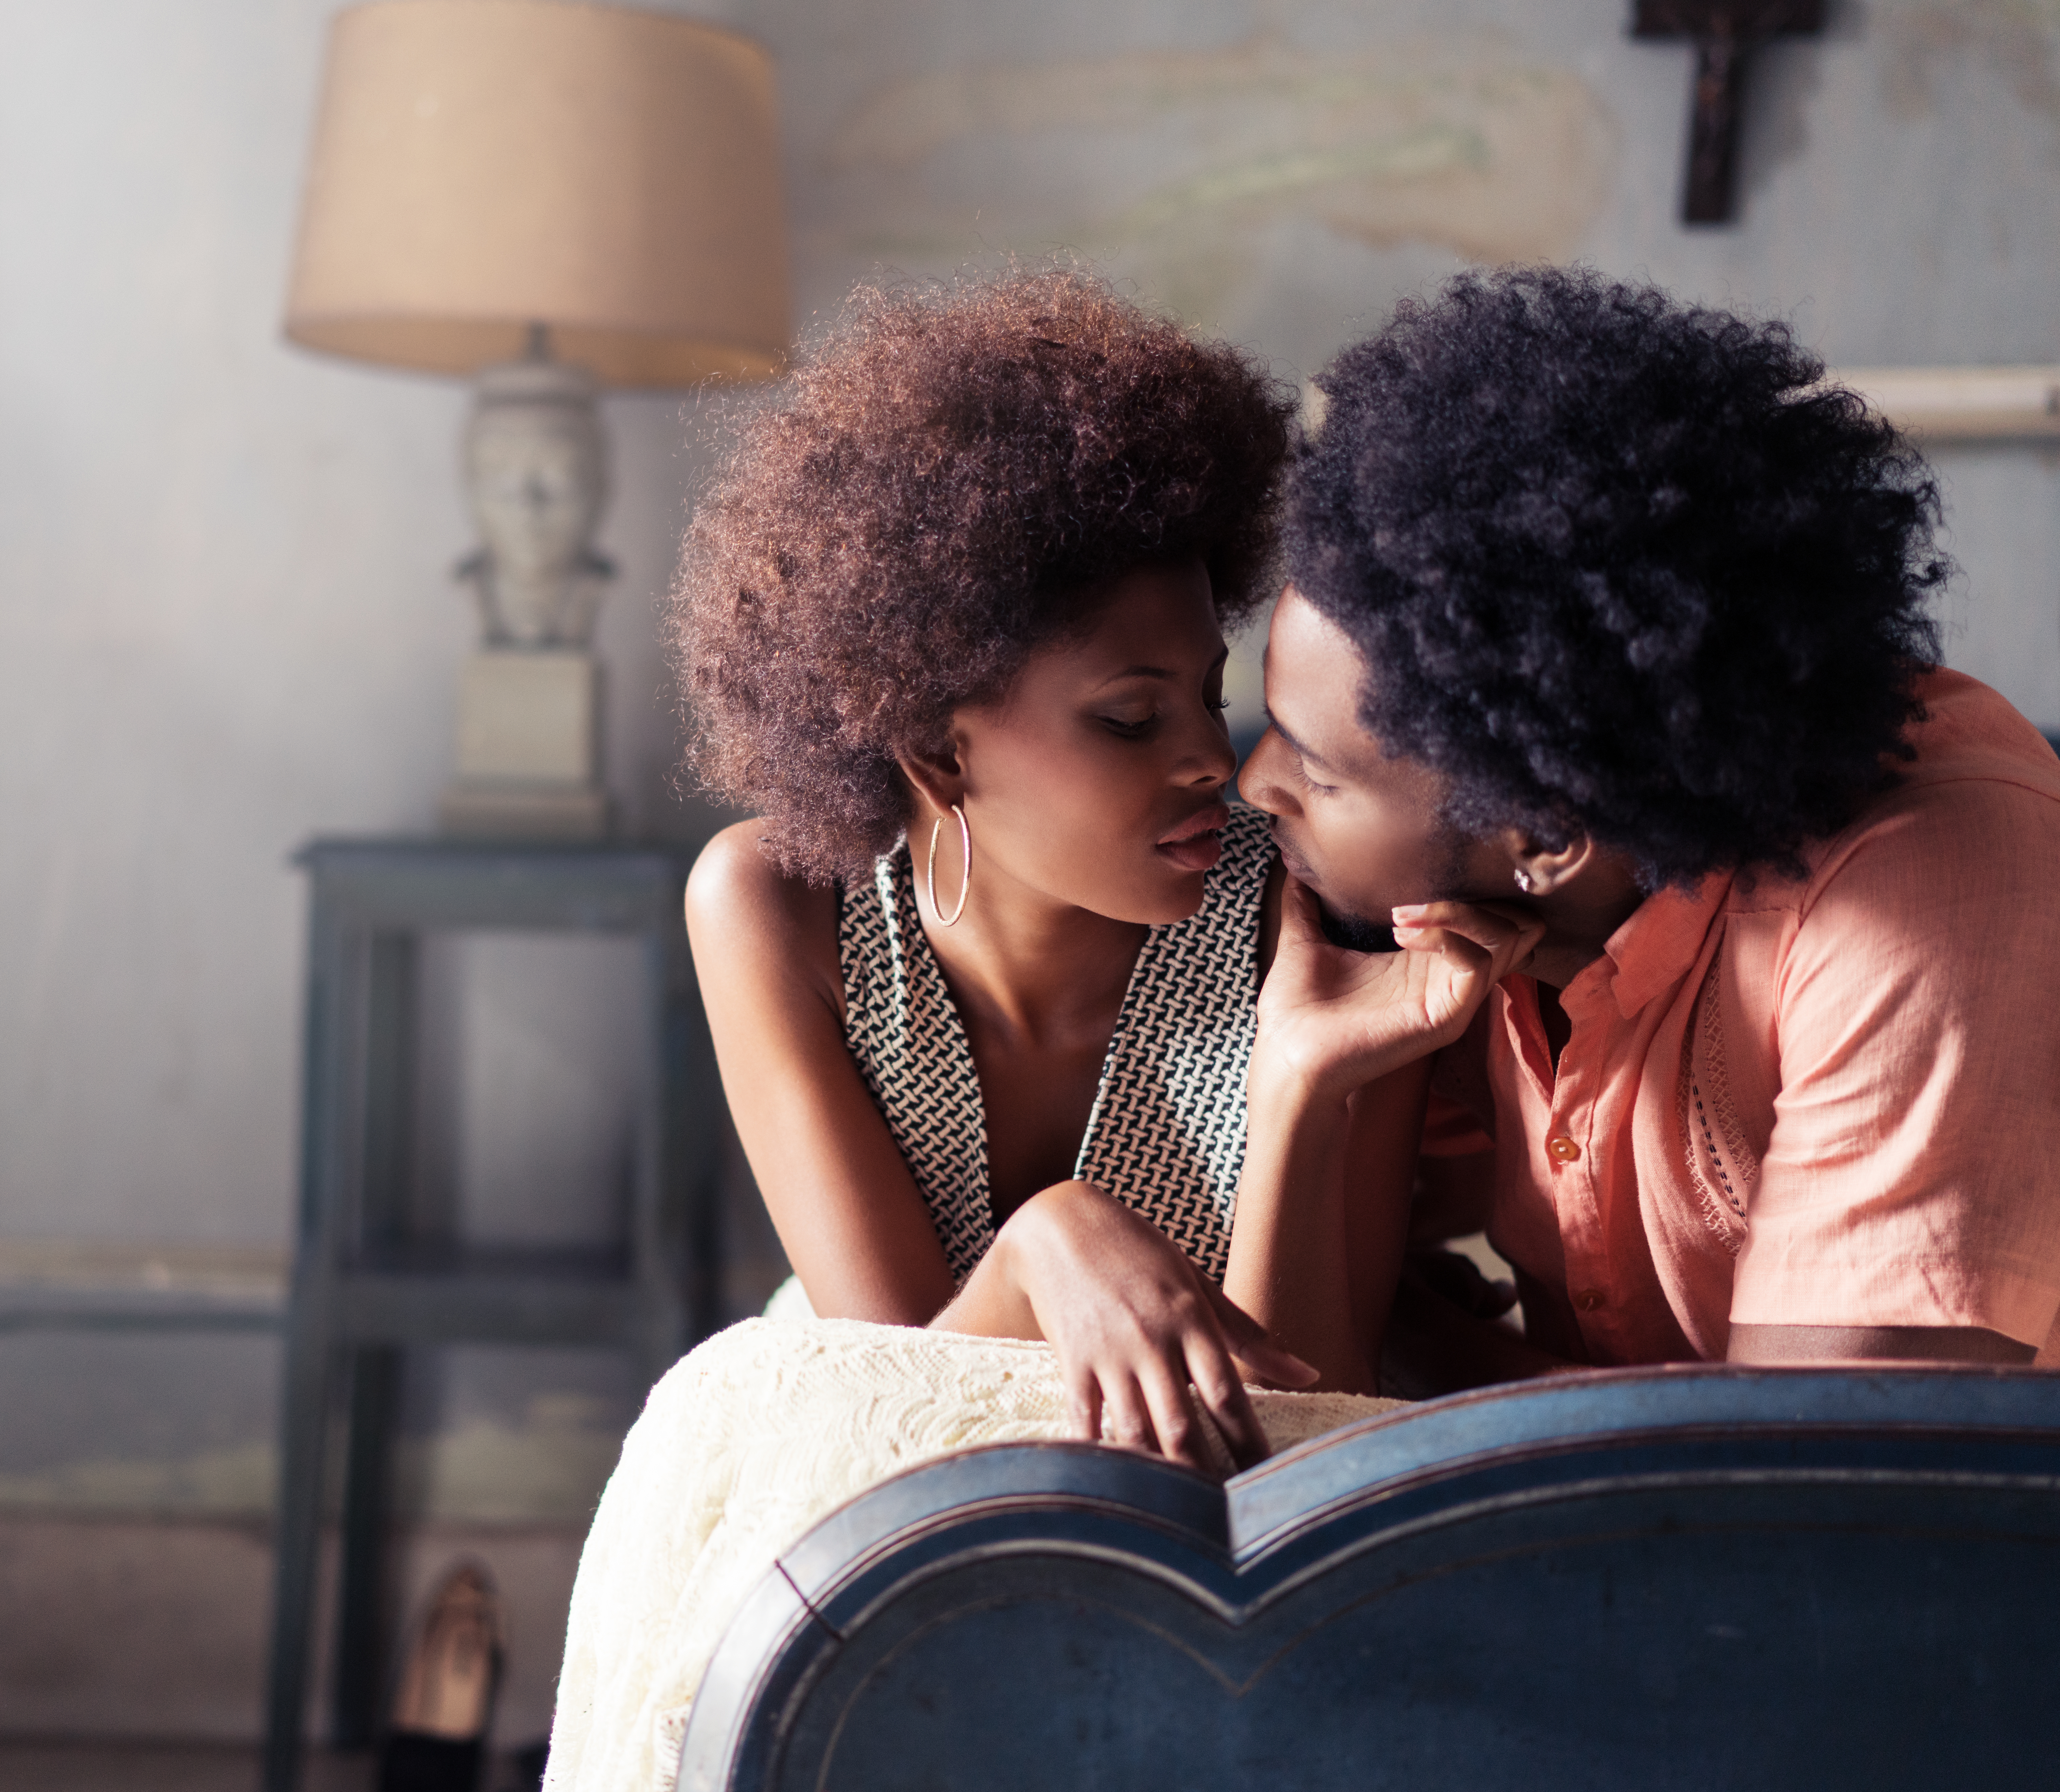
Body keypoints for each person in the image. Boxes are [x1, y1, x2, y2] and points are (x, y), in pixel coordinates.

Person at [1234, 265, 2060, 1381]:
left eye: (1316, 770)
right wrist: (1300, 1080)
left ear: (1544, 838)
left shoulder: (1928, 900)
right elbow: (1297, 1386)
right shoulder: (1429, 903)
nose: (1254, 789)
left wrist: (1429, 1356)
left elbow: (1833, 1489)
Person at [676, 269, 1444, 1468]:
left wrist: (1301, 1081)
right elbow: (898, 1414)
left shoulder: (1322, 919)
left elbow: (1313, 1427)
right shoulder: (779, 910)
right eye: (1134, 721)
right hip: (879, 1482)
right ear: (936, 747)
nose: (1219, 766)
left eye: (1210, 698)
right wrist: (1051, 1243)